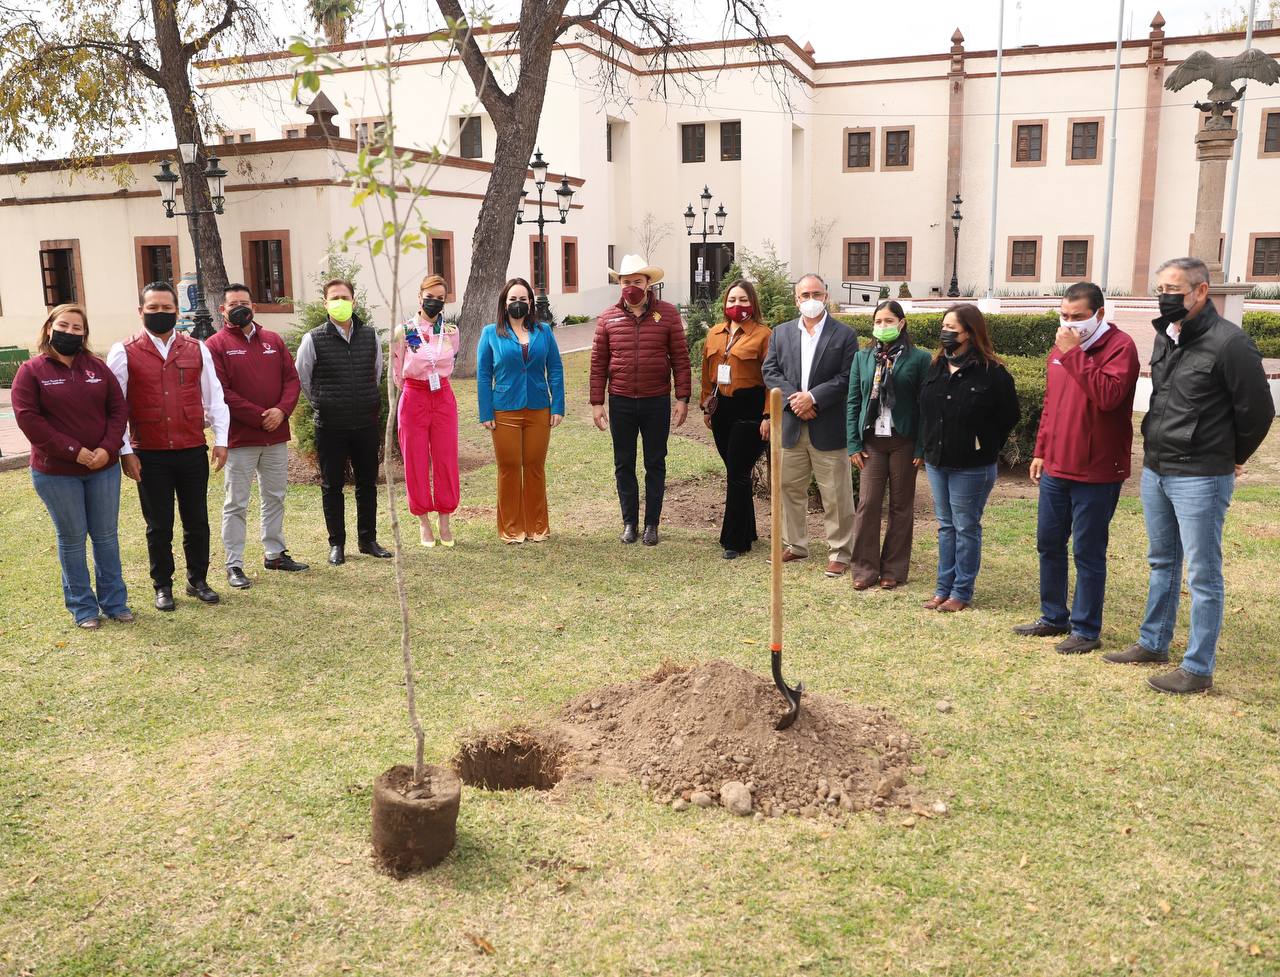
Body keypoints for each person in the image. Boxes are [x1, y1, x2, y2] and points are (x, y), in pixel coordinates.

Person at [1104, 257, 1273, 693]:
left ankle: (1197, 668)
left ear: (1201, 292)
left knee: (1202, 572)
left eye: (1174, 289)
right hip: (1157, 468)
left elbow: (1258, 411)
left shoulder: (1230, 344)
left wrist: (1234, 456)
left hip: (1201, 474)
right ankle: (1153, 642)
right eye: (1160, 288)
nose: (1165, 296)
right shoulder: (1166, 335)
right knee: (1162, 561)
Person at [1012, 282, 1139, 653]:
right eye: (1064, 316)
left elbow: (1109, 397)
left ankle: (1086, 629)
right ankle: (1053, 617)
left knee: (1088, 550)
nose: (1069, 324)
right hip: (1057, 467)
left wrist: (1073, 355)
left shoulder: (1120, 348)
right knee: (1049, 543)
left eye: (1078, 317)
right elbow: (1053, 403)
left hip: (1098, 471)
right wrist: (1040, 450)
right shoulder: (1062, 347)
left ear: (1099, 314)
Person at [106, 282, 230, 612]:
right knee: (159, 525)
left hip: (191, 449)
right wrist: (125, 451)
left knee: (197, 520)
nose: (160, 314)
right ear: (141, 312)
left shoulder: (196, 348)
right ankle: (162, 585)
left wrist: (222, 439)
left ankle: (198, 579)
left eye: (166, 308)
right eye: (153, 308)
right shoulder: (123, 351)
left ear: (177, 311)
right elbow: (115, 406)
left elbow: (214, 395)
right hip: (150, 452)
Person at [12, 304, 131, 628]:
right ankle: (83, 608)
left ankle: (115, 603)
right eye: (64, 325)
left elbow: (118, 410)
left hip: (102, 470)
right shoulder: (32, 371)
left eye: (77, 328)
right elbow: (29, 419)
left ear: (84, 334)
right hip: (57, 473)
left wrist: (108, 450)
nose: (70, 332)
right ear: (50, 328)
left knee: (106, 536)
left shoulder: (97, 367)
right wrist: (73, 451)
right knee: (73, 538)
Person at [916, 303, 1020, 612]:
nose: (945, 333)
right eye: (944, 327)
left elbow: (1008, 415)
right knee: (945, 526)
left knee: (965, 526)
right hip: (938, 460)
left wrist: (984, 443)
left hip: (972, 466)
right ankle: (941, 588)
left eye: (953, 328)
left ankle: (961, 591)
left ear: (971, 334)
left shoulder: (993, 372)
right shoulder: (936, 365)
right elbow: (926, 410)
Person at [206, 283, 307, 589]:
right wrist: (259, 415)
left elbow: (292, 379)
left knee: (274, 496)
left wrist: (281, 411)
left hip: (276, 435)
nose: (240, 307)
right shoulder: (215, 345)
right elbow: (221, 392)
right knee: (236, 502)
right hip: (240, 438)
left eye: (245, 302)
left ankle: (274, 552)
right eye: (233, 303)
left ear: (254, 306)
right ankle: (234, 564)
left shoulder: (273, 340)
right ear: (223, 310)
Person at [761, 273, 859, 577]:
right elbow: (770, 370)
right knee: (789, 488)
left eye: (816, 294)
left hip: (827, 424)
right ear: (796, 300)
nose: (811, 300)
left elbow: (847, 377)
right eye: (805, 295)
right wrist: (796, 400)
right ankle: (795, 544)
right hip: (791, 425)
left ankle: (840, 552)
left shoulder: (844, 335)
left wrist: (814, 398)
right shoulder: (780, 333)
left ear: (826, 296)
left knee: (836, 493)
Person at [590, 253, 691, 546]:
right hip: (620, 400)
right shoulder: (608, 317)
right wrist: (598, 402)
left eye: (637, 281)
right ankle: (629, 522)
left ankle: (652, 524)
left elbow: (681, 360)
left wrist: (681, 397)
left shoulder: (668, 314)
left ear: (648, 283)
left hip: (655, 400)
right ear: (619, 284)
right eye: (626, 282)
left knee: (655, 463)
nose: (631, 286)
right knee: (624, 463)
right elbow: (598, 363)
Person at [295, 278, 392, 565]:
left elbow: (375, 374)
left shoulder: (370, 336)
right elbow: (304, 378)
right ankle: (337, 543)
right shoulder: (313, 339)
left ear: (354, 301)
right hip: (331, 425)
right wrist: (324, 403)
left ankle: (368, 539)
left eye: (345, 297)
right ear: (325, 303)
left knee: (367, 484)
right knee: (332, 485)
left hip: (364, 422)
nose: (340, 302)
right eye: (334, 298)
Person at [845, 300, 932, 590]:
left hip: (903, 440)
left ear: (901, 323)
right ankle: (864, 568)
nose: (882, 326)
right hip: (872, 440)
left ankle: (893, 569)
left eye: (888, 321)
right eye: (878, 321)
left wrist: (921, 447)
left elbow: (924, 406)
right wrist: (852, 443)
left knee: (900, 505)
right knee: (867, 503)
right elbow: (853, 402)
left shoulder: (919, 359)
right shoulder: (863, 357)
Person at [476, 278, 566, 543]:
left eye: (523, 299)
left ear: (530, 303)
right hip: (504, 409)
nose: (518, 304)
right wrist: (486, 412)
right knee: (509, 467)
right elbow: (483, 375)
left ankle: (538, 526)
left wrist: (557, 404)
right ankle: (511, 528)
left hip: (539, 407)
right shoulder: (490, 333)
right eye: (513, 299)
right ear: (505, 304)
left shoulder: (544, 332)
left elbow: (556, 369)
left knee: (535, 466)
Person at [699, 278, 771, 559]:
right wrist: (707, 405)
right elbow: (707, 372)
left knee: (738, 473)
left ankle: (735, 540)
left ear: (752, 304)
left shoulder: (764, 335)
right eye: (732, 300)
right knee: (735, 470)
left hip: (750, 408)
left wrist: (768, 414)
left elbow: (771, 380)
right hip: (722, 408)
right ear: (725, 304)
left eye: (742, 300)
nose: (736, 305)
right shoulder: (715, 333)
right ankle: (748, 529)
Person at [392, 273, 461, 547]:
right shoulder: (404, 331)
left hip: (442, 396)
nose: (434, 302)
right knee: (415, 459)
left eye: (440, 298)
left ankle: (445, 520)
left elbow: (450, 363)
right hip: (414, 397)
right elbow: (397, 371)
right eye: (429, 297)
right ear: (420, 297)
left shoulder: (452, 331)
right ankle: (423, 521)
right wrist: (412, 391)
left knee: (445, 458)